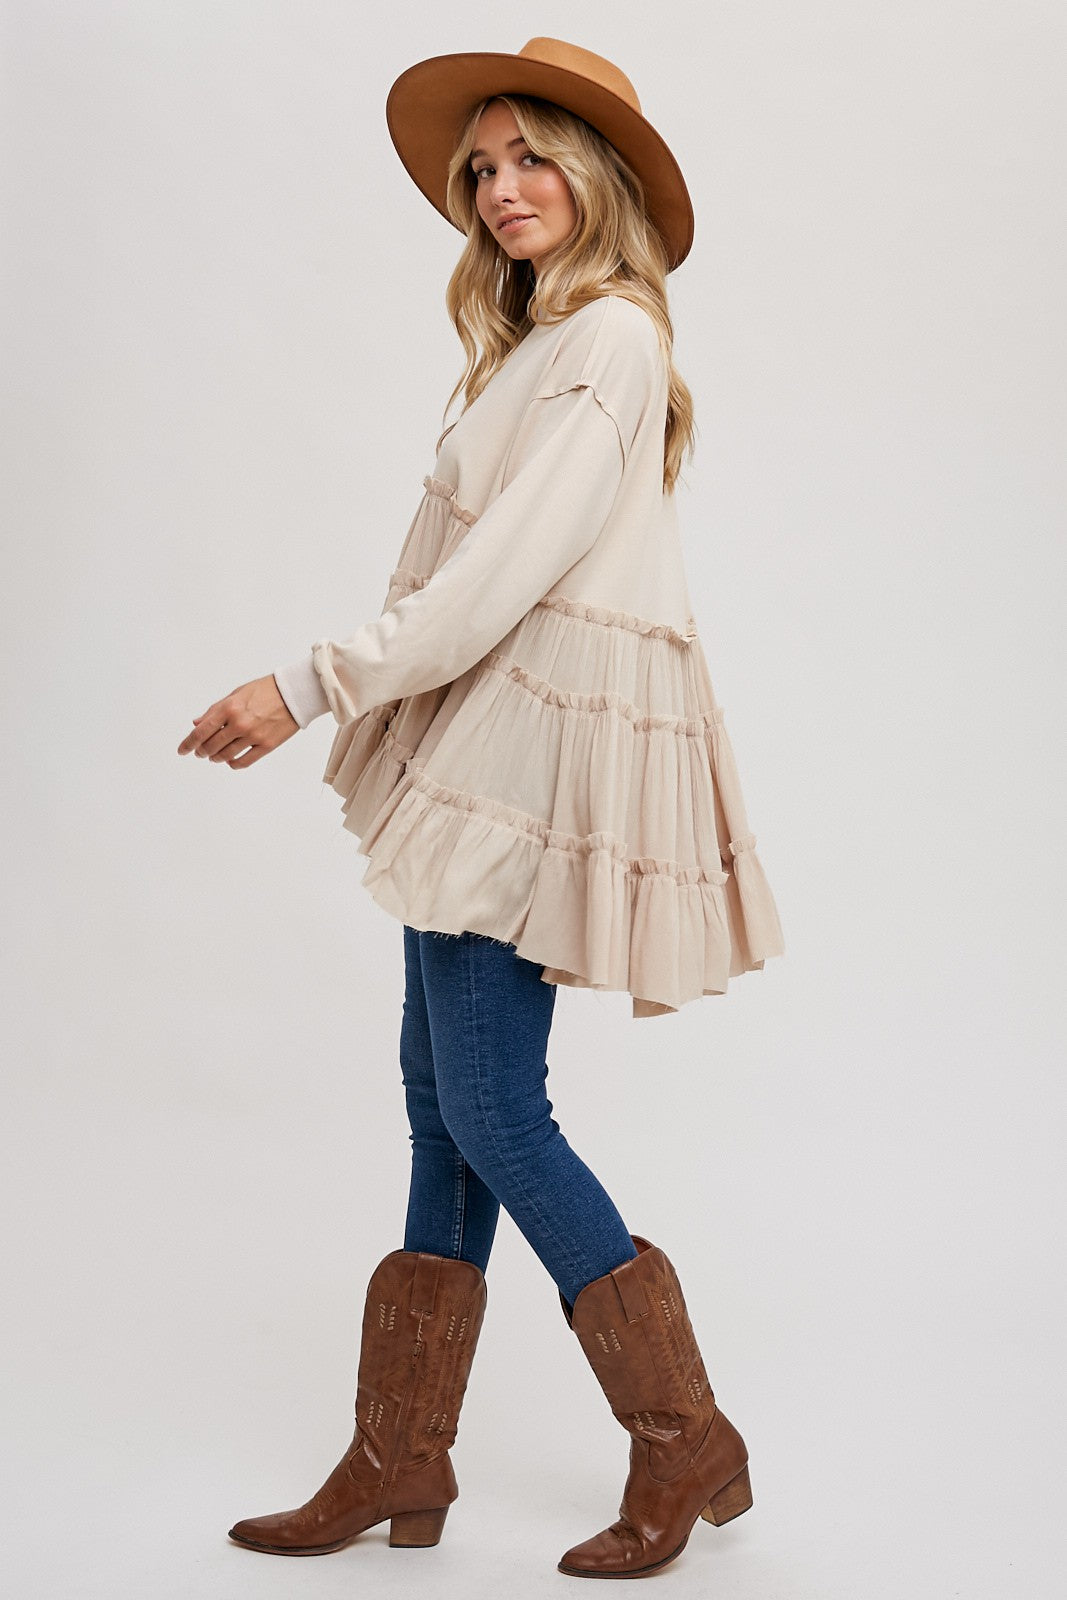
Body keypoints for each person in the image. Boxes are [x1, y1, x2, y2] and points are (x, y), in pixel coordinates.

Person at [177, 36, 784, 1582]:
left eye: (533, 159)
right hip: (489, 743)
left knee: (495, 1106)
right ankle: (402, 1456)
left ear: (600, 178)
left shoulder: (612, 342)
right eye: (484, 167)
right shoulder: (539, 343)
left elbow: (496, 580)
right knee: (441, 1099)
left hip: (528, 757)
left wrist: (308, 684)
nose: (503, 189)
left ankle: (683, 1434)